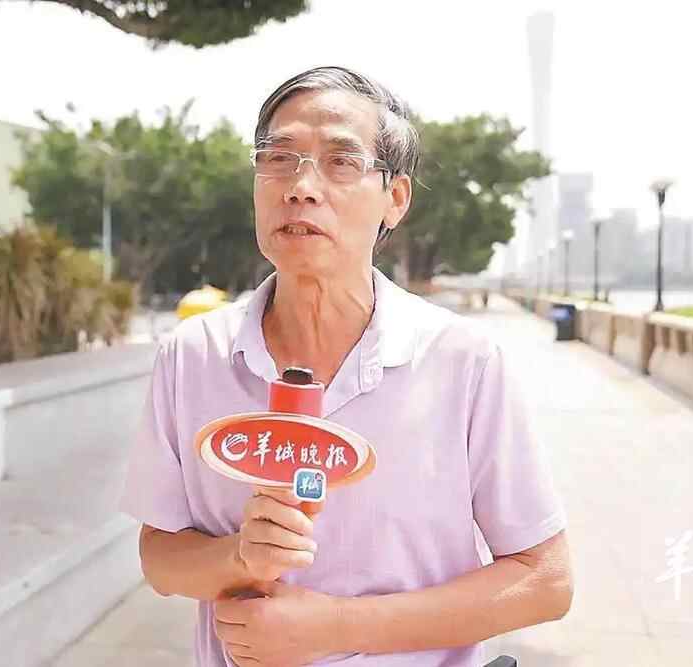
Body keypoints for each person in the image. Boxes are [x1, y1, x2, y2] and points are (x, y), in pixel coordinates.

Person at [121, 66, 573, 667]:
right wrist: (239, 557)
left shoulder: (464, 362)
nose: (300, 187)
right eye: (278, 158)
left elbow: (544, 580)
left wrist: (335, 627)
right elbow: (159, 556)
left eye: (341, 162)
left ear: (396, 198)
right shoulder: (191, 355)